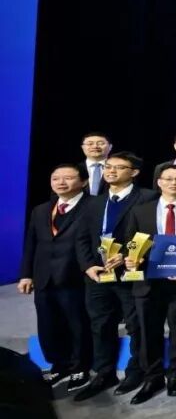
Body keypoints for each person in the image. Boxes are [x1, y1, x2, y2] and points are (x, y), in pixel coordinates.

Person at [121, 164, 176, 404]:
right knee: (149, 331)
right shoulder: (140, 211)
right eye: (168, 179)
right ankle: (153, 377)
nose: (174, 183)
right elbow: (131, 242)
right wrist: (131, 258)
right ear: (159, 182)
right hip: (149, 282)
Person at [74, 152, 156, 401]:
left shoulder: (147, 197)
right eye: (108, 167)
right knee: (100, 324)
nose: (111, 171)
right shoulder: (93, 201)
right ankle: (104, 373)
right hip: (98, 274)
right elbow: (82, 237)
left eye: (119, 168)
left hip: (130, 271)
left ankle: (136, 370)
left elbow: (150, 233)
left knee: (136, 325)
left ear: (134, 172)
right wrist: (88, 266)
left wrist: (127, 255)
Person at [18, 164, 93, 391]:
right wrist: (26, 274)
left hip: (75, 276)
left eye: (68, 178)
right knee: (48, 324)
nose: (61, 182)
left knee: (77, 324)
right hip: (44, 277)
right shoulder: (41, 210)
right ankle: (59, 364)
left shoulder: (93, 206)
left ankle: (80, 367)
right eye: (55, 178)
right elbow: (31, 244)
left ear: (83, 182)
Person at [80, 132, 112, 197]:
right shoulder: (75, 169)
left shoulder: (119, 169)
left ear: (110, 147)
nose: (95, 146)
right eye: (90, 144)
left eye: (101, 143)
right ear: (83, 147)